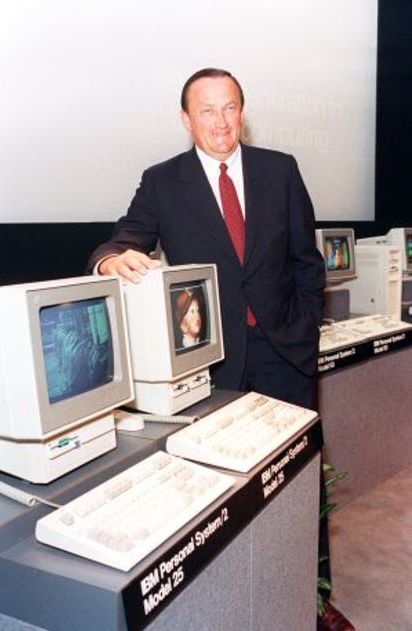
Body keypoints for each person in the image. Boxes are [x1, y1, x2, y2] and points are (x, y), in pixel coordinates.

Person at [88, 68, 354, 630]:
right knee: (224, 493)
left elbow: (308, 265)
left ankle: (316, 599)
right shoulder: (162, 182)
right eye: (207, 110)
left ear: (243, 112)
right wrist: (109, 260)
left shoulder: (280, 171)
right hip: (213, 369)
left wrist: (304, 332)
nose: (221, 121)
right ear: (187, 120)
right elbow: (121, 238)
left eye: (230, 107)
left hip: (285, 357)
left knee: (302, 480)